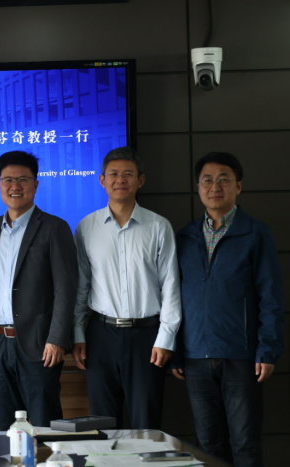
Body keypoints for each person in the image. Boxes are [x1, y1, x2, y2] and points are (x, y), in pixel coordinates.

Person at [171, 152, 284, 467]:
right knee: (208, 445)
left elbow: (271, 296)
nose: (215, 187)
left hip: (241, 357)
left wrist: (268, 350)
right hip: (195, 357)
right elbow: (173, 298)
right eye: (207, 180)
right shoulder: (185, 237)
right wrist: (176, 352)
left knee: (245, 444)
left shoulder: (256, 233)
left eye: (224, 179)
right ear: (198, 187)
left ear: (238, 186)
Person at [72, 146, 181, 429]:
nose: (120, 180)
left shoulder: (159, 227)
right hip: (100, 336)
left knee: (146, 424)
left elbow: (170, 286)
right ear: (102, 180)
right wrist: (78, 333)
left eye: (128, 174)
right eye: (114, 174)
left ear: (140, 180)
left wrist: (165, 338)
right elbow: (81, 286)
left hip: (147, 336)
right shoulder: (86, 227)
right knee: (102, 424)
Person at [0, 151, 78, 430]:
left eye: (23, 179)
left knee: (44, 424)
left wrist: (57, 338)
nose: (15, 186)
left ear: (35, 184)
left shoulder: (54, 228)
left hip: (39, 345)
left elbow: (66, 289)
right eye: (7, 180)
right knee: (6, 426)